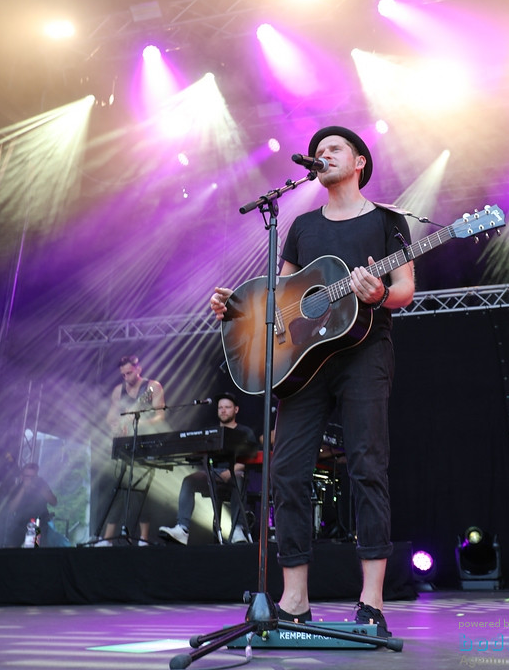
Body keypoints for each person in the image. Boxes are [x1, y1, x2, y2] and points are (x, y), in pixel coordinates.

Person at [209, 126, 414, 633]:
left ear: (360, 161)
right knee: (287, 473)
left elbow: (404, 289)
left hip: (366, 351)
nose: (323, 155)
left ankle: (371, 602)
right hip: (302, 365)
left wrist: (377, 295)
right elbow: (283, 299)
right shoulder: (299, 225)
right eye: (318, 151)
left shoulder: (391, 222)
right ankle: (295, 599)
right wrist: (236, 309)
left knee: (367, 466)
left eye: (335, 149)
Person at [158, 392, 258, 545]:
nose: (223, 411)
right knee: (189, 481)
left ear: (236, 410)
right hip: (212, 473)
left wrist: (229, 471)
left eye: (227, 407)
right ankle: (182, 528)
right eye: (220, 408)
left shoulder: (245, 432)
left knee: (238, 478)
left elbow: (250, 456)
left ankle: (238, 529)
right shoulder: (211, 432)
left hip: (235, 472)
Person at [100, 354, 167, 546]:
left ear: (139, 369)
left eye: (129, 373)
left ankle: (143, 538)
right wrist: (116, 426)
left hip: (146, 443)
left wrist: (140, 421)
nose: (126, 377)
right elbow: (109, 418)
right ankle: (107, 539)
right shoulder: (117, 390)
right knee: (118, 488)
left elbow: (160, 417)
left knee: (140, 490)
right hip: (125, 444)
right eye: (123, 374)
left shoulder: (152, 387)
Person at [5, 462, 58, 547]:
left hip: (38, 523)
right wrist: (23, 488)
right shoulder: (17, 488)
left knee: (34, 549)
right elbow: (11, 509)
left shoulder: (42, 485)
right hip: (20, 524)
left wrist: (41, 490)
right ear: (22, 477)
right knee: (10, 549)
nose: (30, 479)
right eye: (28, 476)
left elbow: (54, 502)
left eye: (33, 477)